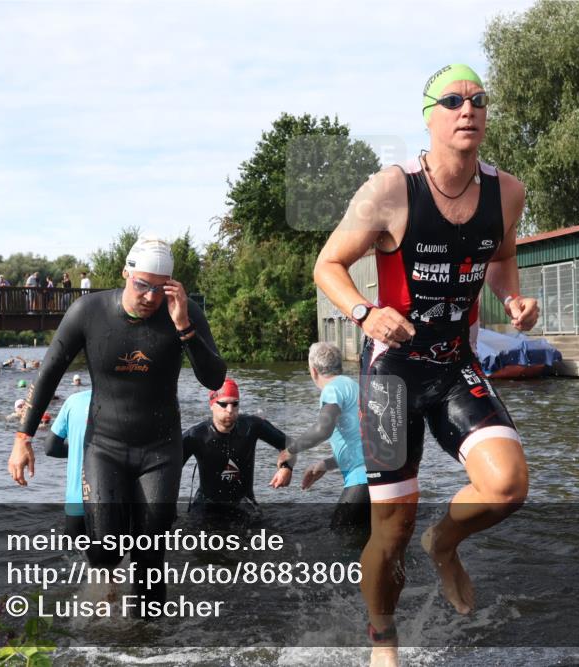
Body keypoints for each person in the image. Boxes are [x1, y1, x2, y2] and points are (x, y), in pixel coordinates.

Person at [313, 64, 539, 664]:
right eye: (453, 100)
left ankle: (446, 543)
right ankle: (382, 641)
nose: (468, 109)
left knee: (508, 485)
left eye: (478, 100)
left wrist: (512, 298)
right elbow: (327, 265)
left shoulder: (506, 192)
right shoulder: (392, 189)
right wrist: (363, 312)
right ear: (429, 116)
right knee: (391, 530)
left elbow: (502, 256)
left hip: (453, 362)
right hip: (392, 371)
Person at [7, 236, 225, 609]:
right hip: (104, 446)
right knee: (105, 552)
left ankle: (148, 641)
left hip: (160, 449)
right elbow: (50, 371)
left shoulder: (183, 312)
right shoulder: (88, 312)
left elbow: (215, 379)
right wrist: (23, 436)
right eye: (142, 284)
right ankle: (104, 602)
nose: (150, 296)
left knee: (150, 554)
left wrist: (184, 326)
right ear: (126, 273)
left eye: (160, 288)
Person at [278, 343, 369, 530]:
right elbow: (362, 445)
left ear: (313, 370)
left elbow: (323, 429)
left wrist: (290, 450)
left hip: (362, 480)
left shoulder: (332, 389)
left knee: (339, 538)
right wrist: (325, 465)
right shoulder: (353, 386)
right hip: (380, 477)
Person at [182, 379, 292, 514]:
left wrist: (286, 467)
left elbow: (289, 444)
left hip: (244, 503)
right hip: (207, 505)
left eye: (235, 404)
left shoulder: (252, 426)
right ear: (211, 404)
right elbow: (169, 467)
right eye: (223, 404)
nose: (230, 410)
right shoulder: (196, 436)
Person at [43, 390, 92, 539]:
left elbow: (50, 448)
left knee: (74, 556)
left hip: (77, 500)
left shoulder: (73, 401)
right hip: (121, 500)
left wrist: (80, 449)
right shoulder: (138, 399)